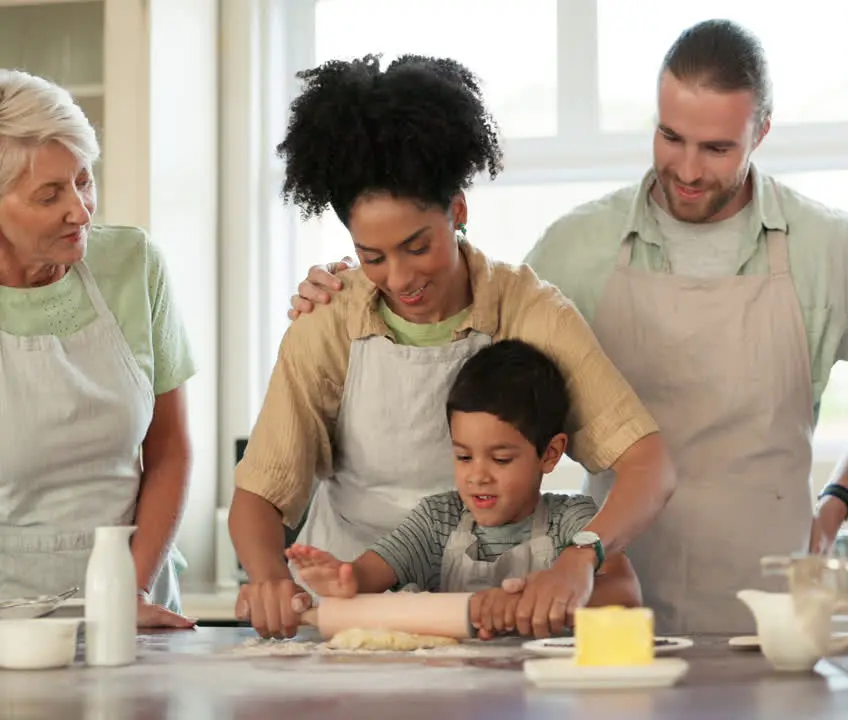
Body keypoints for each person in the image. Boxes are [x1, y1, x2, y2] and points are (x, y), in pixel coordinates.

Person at [288, 21, 848, 635]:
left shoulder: (831, 249)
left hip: (771, 613)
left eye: (716, 148)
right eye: (670, 136)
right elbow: (456, 326)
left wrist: (838, 501)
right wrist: (361, 283)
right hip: (604, 605)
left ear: (761, 131)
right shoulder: (576, 247)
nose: (686, 169)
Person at [229, 54, 674, 640]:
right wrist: (268, 578)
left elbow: (650, 467)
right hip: (356, 619)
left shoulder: (530, 312)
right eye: (372, 256)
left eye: (417, 246)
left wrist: (580, 558)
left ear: (458, 211)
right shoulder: (328, 321)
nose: (399, 277)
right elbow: (259, 495)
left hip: (491, 624)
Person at [0, 70, 196, 627]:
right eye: (50, 195)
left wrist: (123, 597)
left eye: (84, 180)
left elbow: (170, 450)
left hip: (136, 601)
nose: (81, 211)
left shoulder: (132, 265)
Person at [288, 339, 642, 640]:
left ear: (549, 454)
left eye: (501, 459)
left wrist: (538, 598)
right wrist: (341, 580)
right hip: (453, 697)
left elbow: (627, 594)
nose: (478, 476)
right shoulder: (437, 522)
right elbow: (366, 576)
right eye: (463, 456)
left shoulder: (571, 521)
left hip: (548, 692)